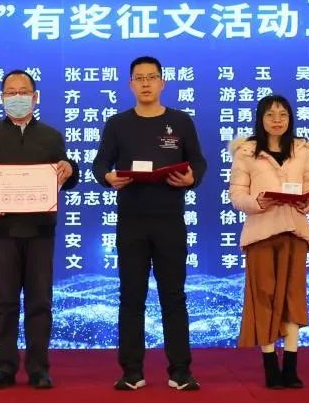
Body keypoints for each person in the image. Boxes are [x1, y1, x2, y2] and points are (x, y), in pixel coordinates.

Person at [92, 56, 207, 391]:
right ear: (130, 84)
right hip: (131, 221)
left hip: (169, 220)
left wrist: (192, 178)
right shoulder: (117, 123)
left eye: (151, 77)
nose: (145, 83)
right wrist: (107, 177)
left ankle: (180, 371)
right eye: (139, 78)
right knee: (131, 296)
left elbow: (198, 161)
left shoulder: (180, 121)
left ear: (162, 83)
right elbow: (100, 163)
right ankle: (132, 372)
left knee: (174, 296)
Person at [0, 70, 79, 390]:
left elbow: (67, 177)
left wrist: (70, 168)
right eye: (10, 92)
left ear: (35, 97)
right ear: (1, 98)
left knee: (40, 302)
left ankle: (39, 368)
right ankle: (4, 366)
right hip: (3, 231)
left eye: (23, 92)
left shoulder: (51, 137)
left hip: (41, 231)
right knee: (4, 302)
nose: (17, 97)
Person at [228, 95, 309, 389]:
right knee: (263, 296)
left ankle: (290, 367)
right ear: (260, 119)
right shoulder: (246, 152)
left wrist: (308, 202)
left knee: (293, 298)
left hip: (295, 231)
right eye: (270, 114)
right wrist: (257, 202)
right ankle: (270, 366)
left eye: (283, 114)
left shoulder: (302, 150)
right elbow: (237, 195)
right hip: (261, 233)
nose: (277, 120)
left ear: (291, 118)